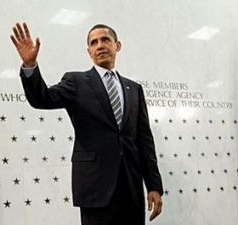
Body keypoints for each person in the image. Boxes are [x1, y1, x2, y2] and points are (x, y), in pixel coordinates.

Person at [10, 22, 163, 225]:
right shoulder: (76, 81)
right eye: (94, 42)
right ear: (88, 50)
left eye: (105, 40)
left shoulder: (133, 89)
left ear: (118, 45)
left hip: (131, 189)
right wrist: (30, 66)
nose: (100, 45)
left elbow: (144, 141)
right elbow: (42, 99)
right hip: (95, 189)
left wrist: (153, 185)